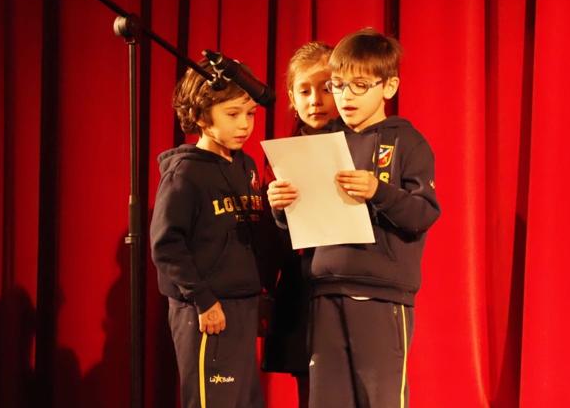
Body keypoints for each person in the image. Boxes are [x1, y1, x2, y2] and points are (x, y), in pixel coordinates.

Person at [267, 28, 441, 408]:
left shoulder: (406, 142)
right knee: (328, 399)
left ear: (389, 86)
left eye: (360, 85)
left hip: (379, 293)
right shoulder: (321, 142)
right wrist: (280, 205)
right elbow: (299, 221)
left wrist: (378, 191)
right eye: (339, 85)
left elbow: (423, 212)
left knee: (378, 397)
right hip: (324, 290)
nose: (345, 96)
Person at [150, 58, 265, 408]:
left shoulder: (246, 166)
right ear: (202, 117)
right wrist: (203, 299)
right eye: (233, 114)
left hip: (243, 305)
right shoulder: (185, 174)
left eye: (250, 114)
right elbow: (167, 245)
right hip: (206, 311)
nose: (245, 125)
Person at [260, 41, 338, 408]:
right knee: (308, 385)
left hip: (344, 281)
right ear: (291, 97)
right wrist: (277, 208)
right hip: (302, 284)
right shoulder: (284, 156)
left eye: (325, 88)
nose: (316, 100)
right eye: (305, 91)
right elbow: (275, 238)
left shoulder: (359, 144)